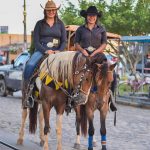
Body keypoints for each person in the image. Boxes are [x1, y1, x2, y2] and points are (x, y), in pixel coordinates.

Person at [23, 0, 67, 108]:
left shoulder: (61, 24)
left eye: (53, 10)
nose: (51, 12)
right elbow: (36, 42)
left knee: (68, 69)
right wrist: (45, 51)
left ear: (56, 11)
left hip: (57, 51)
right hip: (42, 50)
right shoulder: (39, 24)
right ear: (45, 11)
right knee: (29, 65)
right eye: (49, 10)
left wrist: (59, 51)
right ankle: (28, 93)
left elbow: (64, 41)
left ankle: (69, 98)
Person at [74, 6, 117, 111]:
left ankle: (111, 97)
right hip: (83, 54)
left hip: (98, 55)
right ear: (86, 16)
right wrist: (82, 50)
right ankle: (73, 95)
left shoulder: (101, 29)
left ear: (96, 17)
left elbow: (104, 44)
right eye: (89, 15)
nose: (91, 17)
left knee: (112, 73)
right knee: (74, 70)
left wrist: (95, 52)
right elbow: (76, 43)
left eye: (93, 15)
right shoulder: (80, 29)